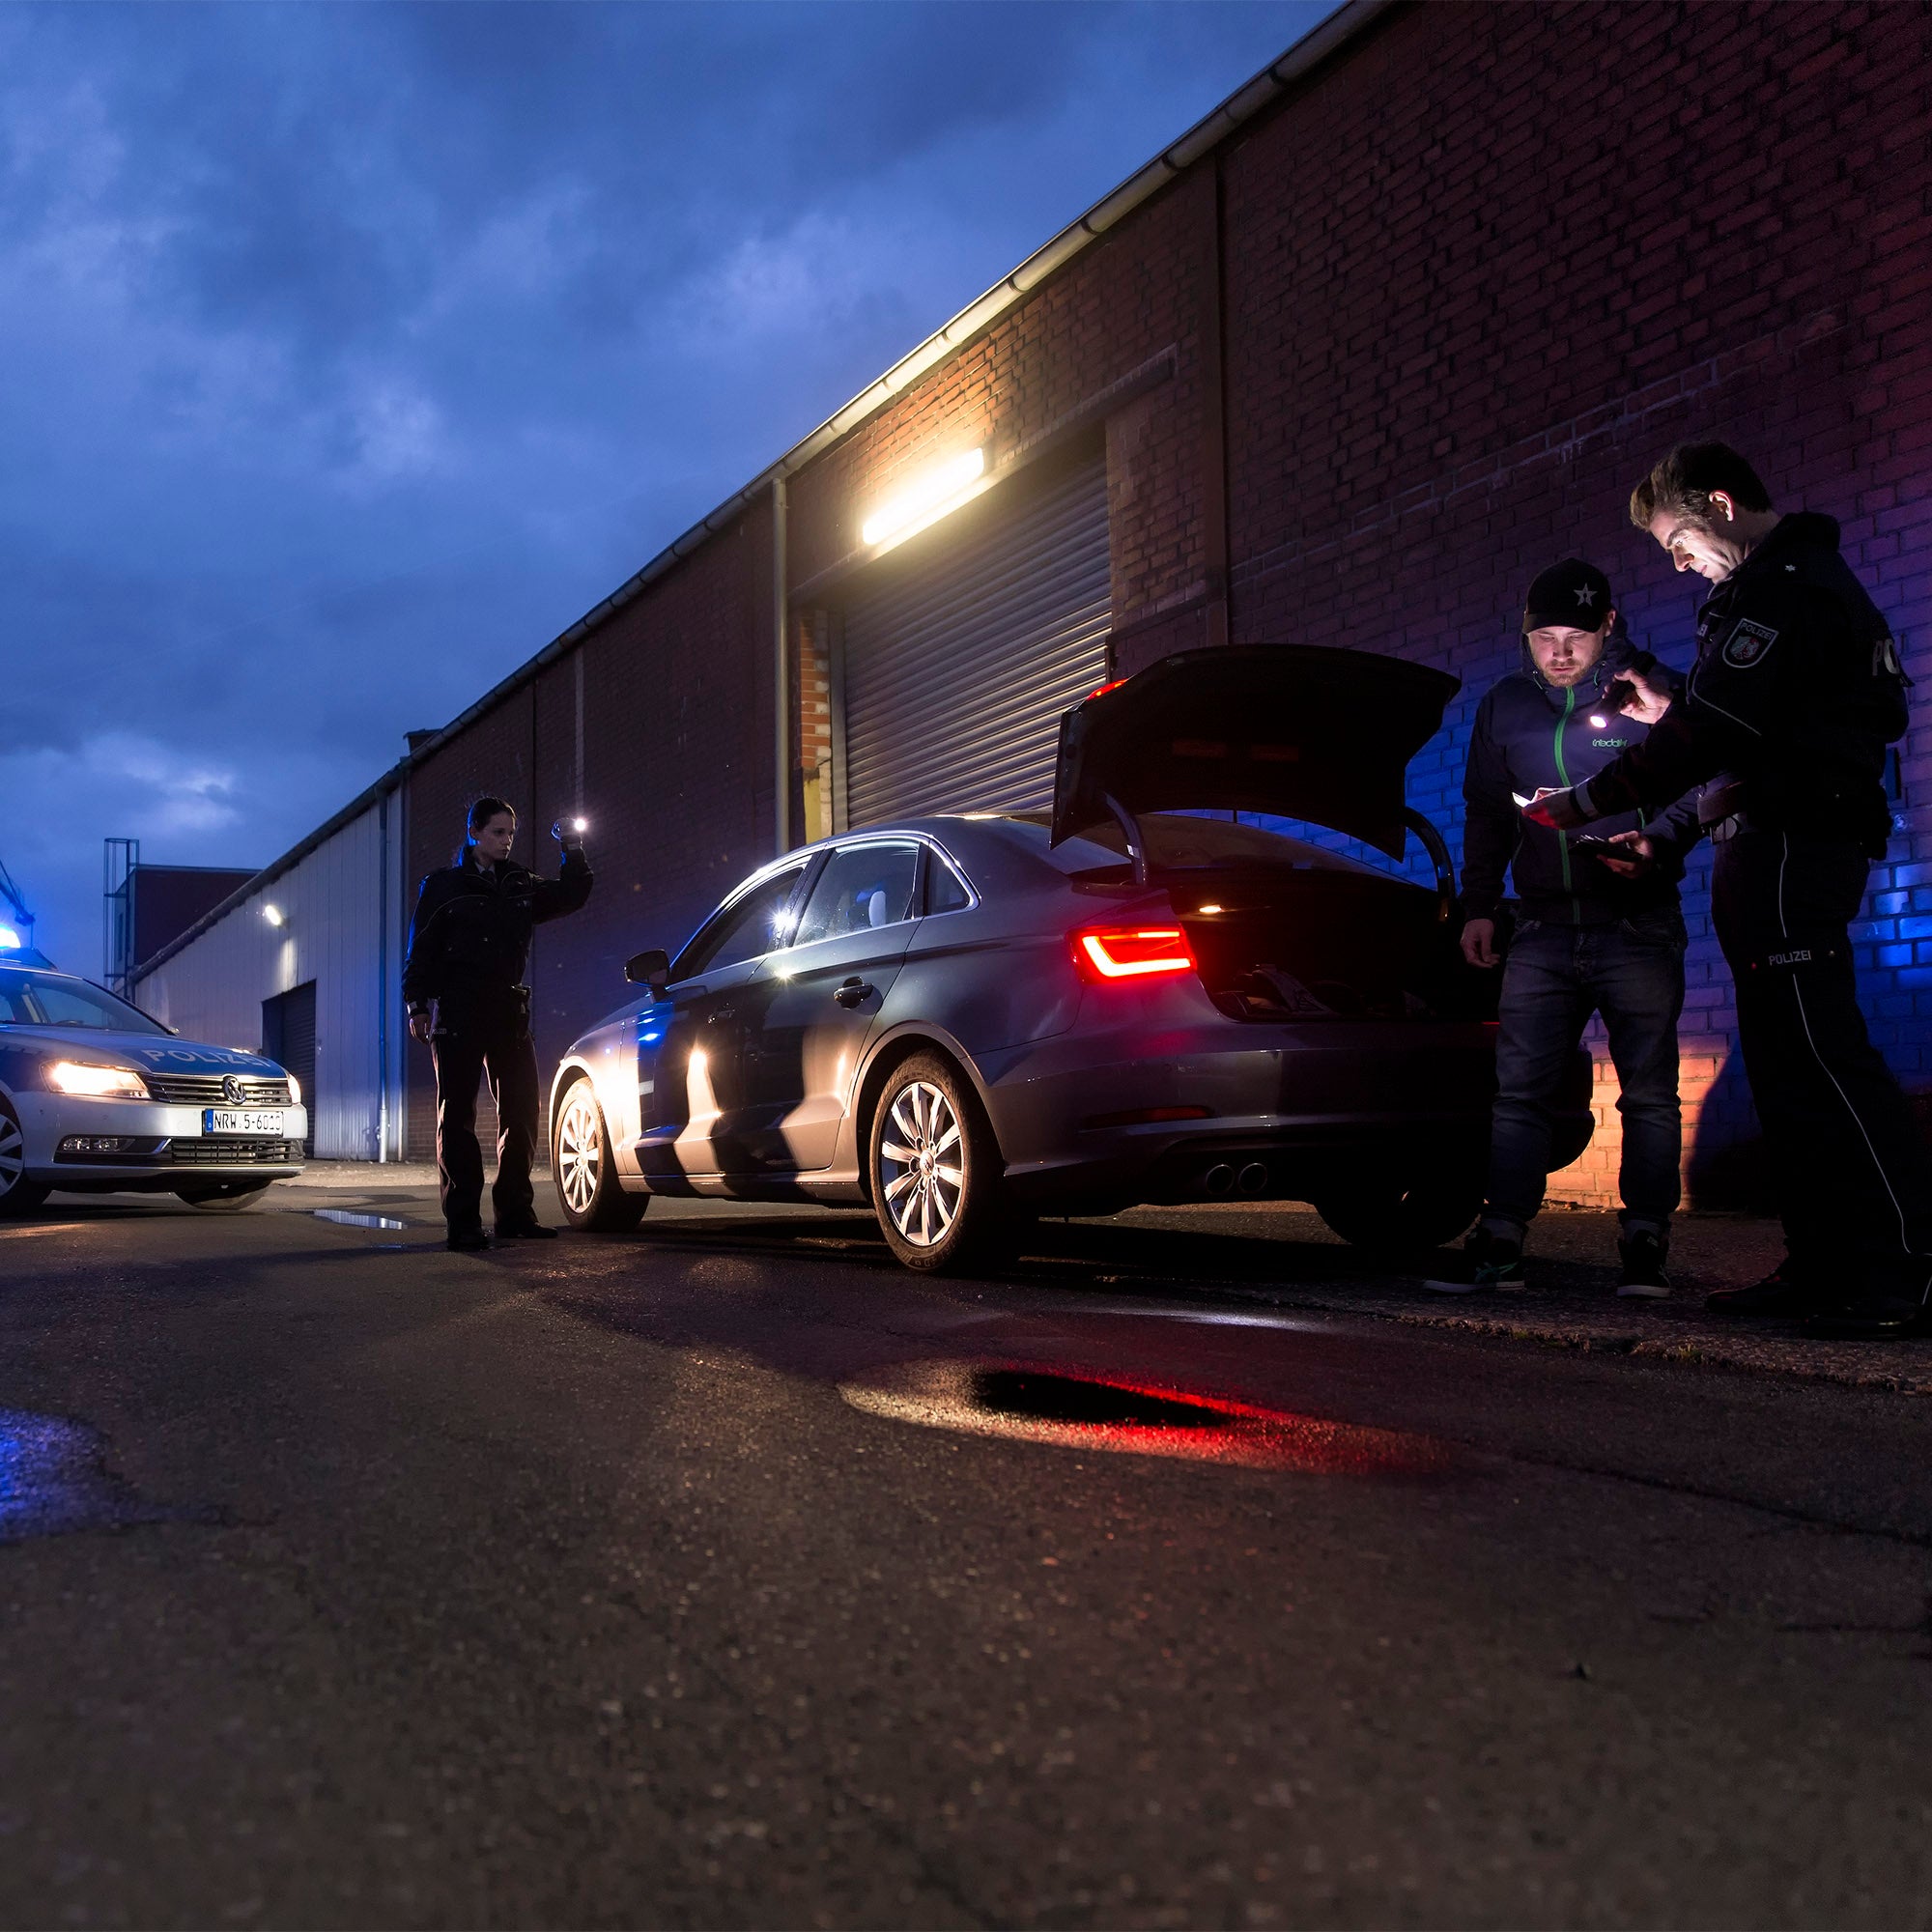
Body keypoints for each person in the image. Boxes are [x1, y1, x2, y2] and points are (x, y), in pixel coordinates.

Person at [1522, 442, 1932, 1336]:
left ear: (1718, 503)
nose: (1679, 562)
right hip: (1771, 842)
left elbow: (1725, 734)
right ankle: (1823, 1264)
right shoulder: (1784, 587)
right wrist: (1678, 719)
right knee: (1787, 1066)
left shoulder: (1782, 587)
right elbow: (1762, 726)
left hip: (1792, 845)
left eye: (1678, 540)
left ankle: (1903, 1270)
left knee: (1822, 1057)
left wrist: (1586, 800)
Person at [1432, 559, 1702, 1296]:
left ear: (1608, 626)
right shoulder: (1505, 706)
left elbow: (1699, 781)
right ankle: (1500, 1243)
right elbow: (1487, 812)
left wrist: (1659, 843)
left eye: (1575, 637)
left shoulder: (1650, 693)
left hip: (1638, 926)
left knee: (1648, 1094)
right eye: (1543, 637)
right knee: (1518, 1092)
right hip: (1542, 930)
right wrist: (1479, 906)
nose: (1559, 653)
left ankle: (1646, 1243)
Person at [403, 798, 592, 1250]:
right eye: (497, 832)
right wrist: (417, 1005)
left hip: (508, 1010)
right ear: (474, 832)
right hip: (458, 1008)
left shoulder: (519, 882)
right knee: (457, 1116)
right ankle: (463, 1222)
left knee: (522, 1111)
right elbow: (421, 947)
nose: (506, 841)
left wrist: (572, 846)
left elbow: (571, 895)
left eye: (510, 833)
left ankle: (515, 1215)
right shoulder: (443, 886)